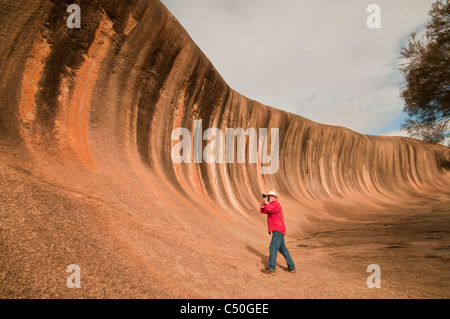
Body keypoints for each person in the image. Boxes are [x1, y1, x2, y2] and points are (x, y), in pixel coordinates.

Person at [260, 191, 296, 275]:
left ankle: (271, 268)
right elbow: (263, 211)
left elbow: (268, 209)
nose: (270, 197)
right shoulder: (270, 205)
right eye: (269, 196)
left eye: (272, 196)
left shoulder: (276, 204)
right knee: (283, 249)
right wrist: (263, 202)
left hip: (278, 229)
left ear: (275, 198)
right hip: (278, 229)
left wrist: (266, 202)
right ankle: (292, 267)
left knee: (273, 247)